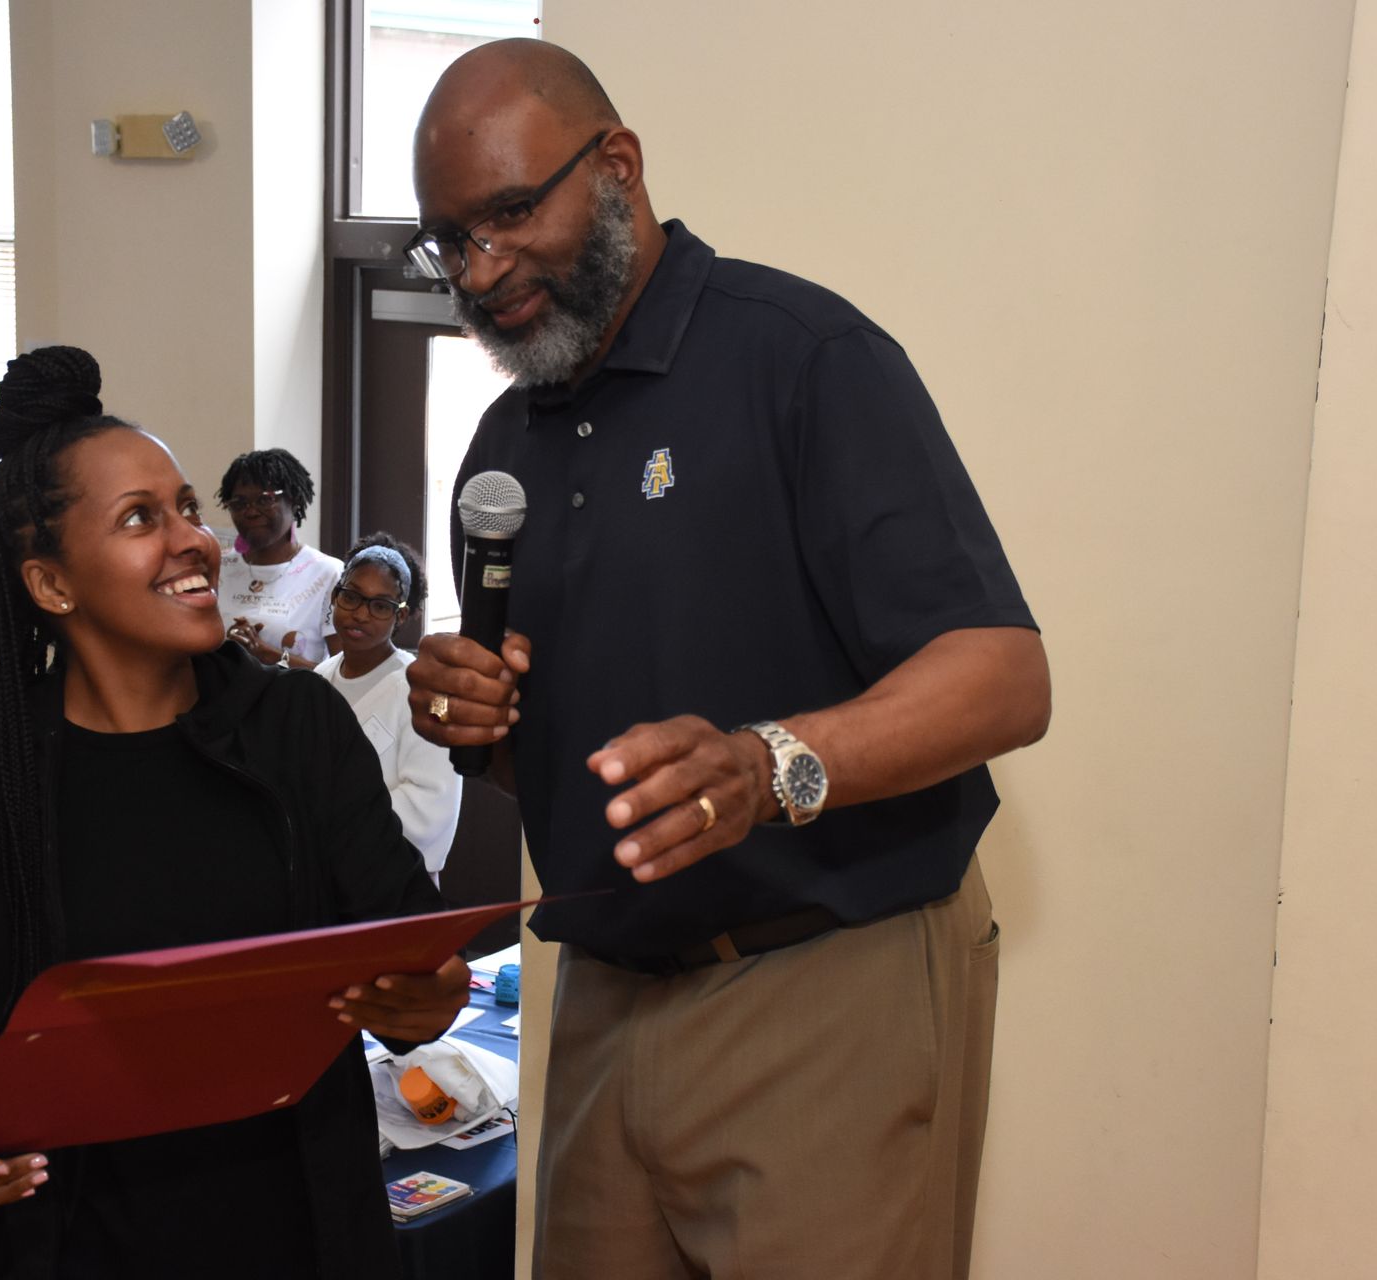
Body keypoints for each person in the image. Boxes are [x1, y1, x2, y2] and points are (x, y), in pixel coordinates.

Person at [403, 40, 1052, 1280]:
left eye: (508, 214)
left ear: (618, 167)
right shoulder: (503, 443)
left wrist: (768, 766)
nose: (482, 270)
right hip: (598, 993)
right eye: (450, 241)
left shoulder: (803, 358)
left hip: (824, 983)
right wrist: (474, 720)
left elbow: (1004, 675)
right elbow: (542, 761)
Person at [0, 346, 470, 1278]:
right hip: (76, 1240)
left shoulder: (295, 728)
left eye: (186, 507)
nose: (195, 539)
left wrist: (430, 993)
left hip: (296, 1226)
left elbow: (402, 937)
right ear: (52, 584)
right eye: (142, 518)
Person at [314, 535, 462, 883]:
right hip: (326, 875)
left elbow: (430, 809)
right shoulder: (319, 680)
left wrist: (330, 813)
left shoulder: (422, 690)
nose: (360, 614)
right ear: (335, 597)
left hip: (392, 881)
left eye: (380, 605)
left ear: (402, 615)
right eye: (350, 597)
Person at [215, 447, 344, 669]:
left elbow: (343, 674)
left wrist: (268, 654)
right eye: (239, 503)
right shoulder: (218, 567)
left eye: (265, 500)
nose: (251, 511)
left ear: (293, 501)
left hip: (294, 701)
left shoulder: (328, 573)